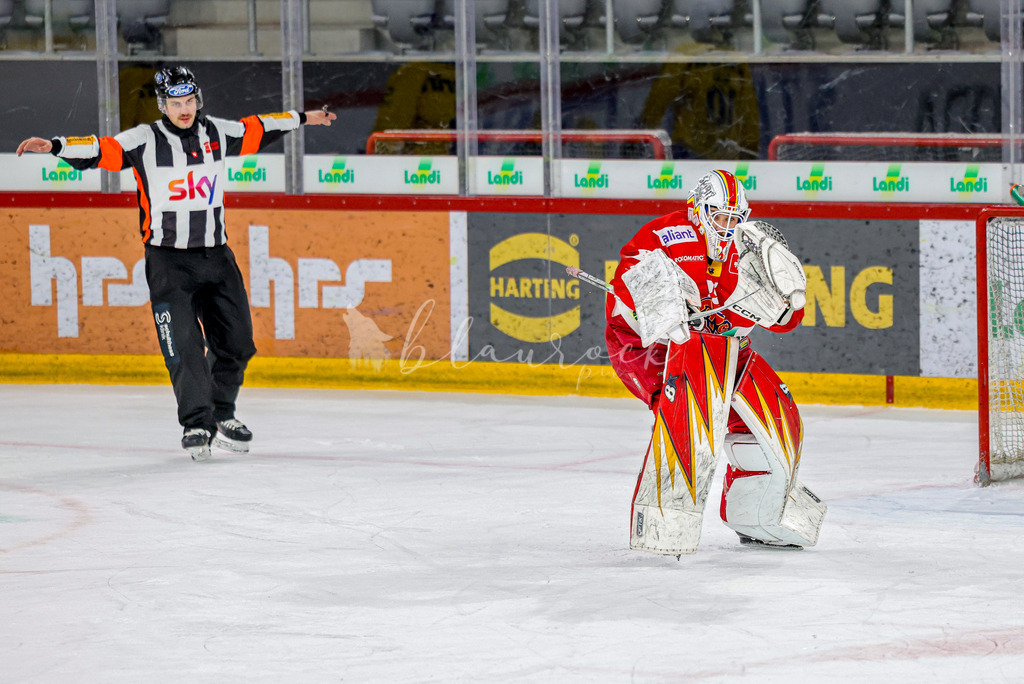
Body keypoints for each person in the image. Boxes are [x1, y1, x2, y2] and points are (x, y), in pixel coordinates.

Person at [16, 66, 337, 461]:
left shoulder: (217, 132)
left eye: (189, 102)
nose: (183, 110)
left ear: (197, 100)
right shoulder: (144, 140)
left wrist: (305, 117)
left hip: (217, 258)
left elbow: (260, 127)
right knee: (184, 348)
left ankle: (222, 413)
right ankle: (197, 423)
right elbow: (99, 149)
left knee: (238, 344)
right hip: (169, 264)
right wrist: (56, 146)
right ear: (162, 104)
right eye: (174, 103)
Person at [604, 169, 826, 556]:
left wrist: (792, 298)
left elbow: (783, 321)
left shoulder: (748, 248)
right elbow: (629, 283)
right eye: (719, 216)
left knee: (778, 421)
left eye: (734, 219)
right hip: (652, 348)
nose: (726, 227)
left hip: (724, 350)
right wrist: (663, 310)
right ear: (697, 209)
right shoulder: (664, 235)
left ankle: (758, 515)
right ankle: (665, 521)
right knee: (692, 422)